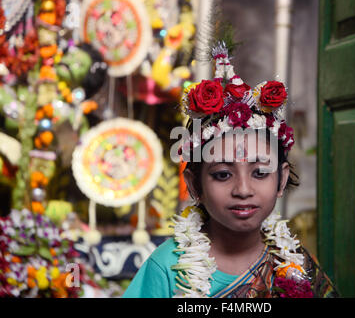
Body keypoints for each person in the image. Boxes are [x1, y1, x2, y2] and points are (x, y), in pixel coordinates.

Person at [123, 41, 338, 298]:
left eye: (260, 173)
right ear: (194, 185)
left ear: (281, 180)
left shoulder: (295, 263)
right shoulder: (167, 268)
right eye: (223, 174)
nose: (243, 190)